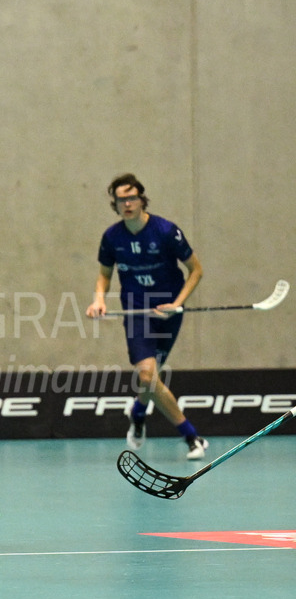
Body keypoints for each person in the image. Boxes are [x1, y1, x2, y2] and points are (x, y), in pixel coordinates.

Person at [85, 173, 208, 460]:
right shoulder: (112, 237)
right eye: (121, 199)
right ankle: (191, 436)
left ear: (142, 200)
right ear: (115, 203)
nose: (127, 203)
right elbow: (104, 275)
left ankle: (138, 413)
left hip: (169, 312)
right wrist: (99, 299)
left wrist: (177, 303)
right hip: (137, 311)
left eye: (132, 197)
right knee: (147, 375)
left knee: (149, 380)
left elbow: (197, 270)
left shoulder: (166, 231)